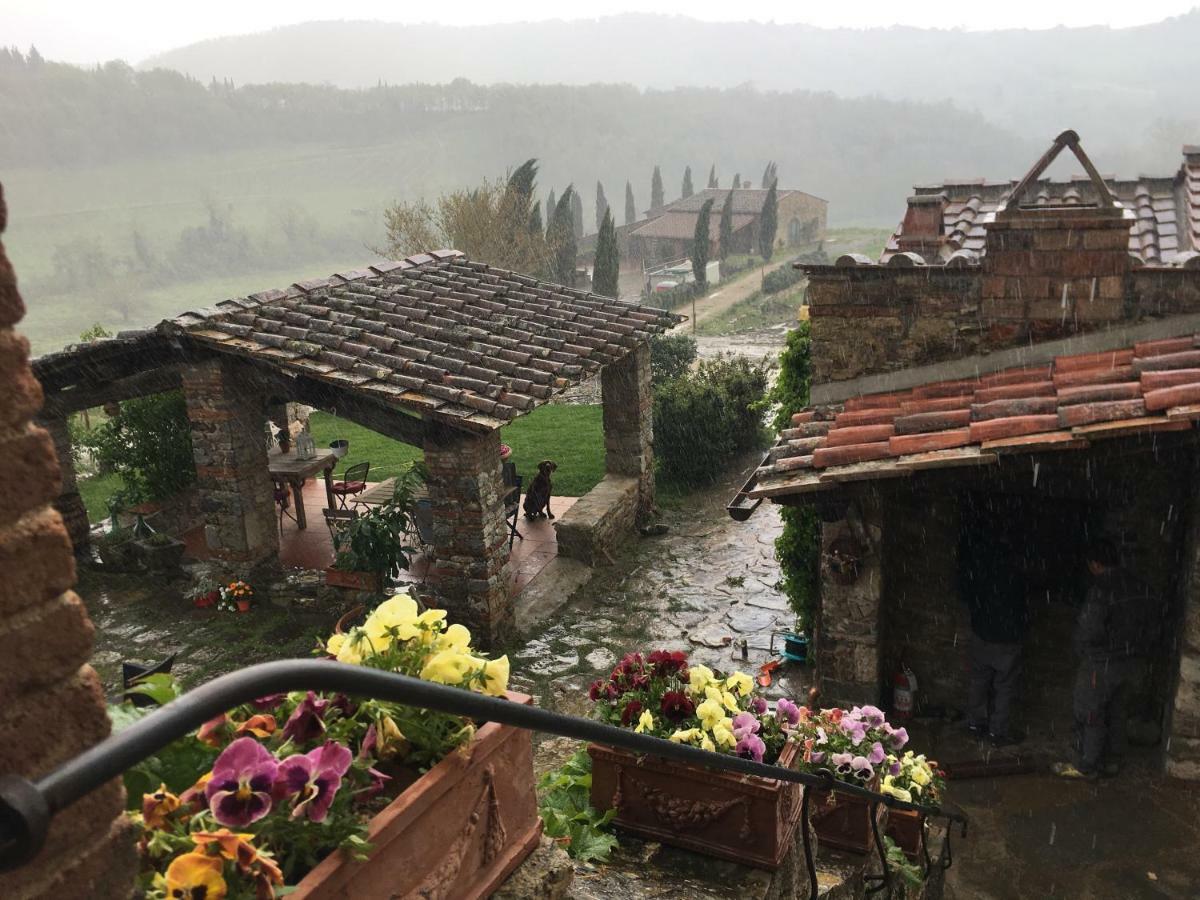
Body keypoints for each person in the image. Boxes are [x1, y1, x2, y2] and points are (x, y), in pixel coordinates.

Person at [1053, 538, 1157, 780]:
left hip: (1101, 663)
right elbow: (1155, 625)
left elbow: (1090, 629)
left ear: (1094, 564)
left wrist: (1083, 650)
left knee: (1089, 712)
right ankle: (1113, 760)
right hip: (1132, 662)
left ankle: (1087, 764)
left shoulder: (1101, 590)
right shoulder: (1140, 586)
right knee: (1118, 711)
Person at [961, 531, 1030, 747]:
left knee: (978, 682)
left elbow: (969, 597)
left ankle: (975, 724)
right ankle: (997, 732)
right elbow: (1024, 607)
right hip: (1007, 640)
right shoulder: (1017, 577)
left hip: (983, 635)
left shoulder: (981, 572)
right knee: (1005, 686)